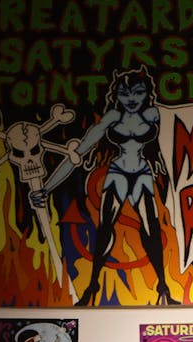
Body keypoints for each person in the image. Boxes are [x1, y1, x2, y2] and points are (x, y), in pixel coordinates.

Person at [34, 67, 178, 306]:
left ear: (147, 93)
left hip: (142, 173)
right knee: (105, 230)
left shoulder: (155, 114)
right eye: (125, 93)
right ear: (116, 94)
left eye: (138, 92)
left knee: (151, 229)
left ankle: (163, 287)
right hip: (118, 173)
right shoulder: (112, 118)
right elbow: (77, 153)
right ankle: (93, 286)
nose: (131, 99)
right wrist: (47, 188)